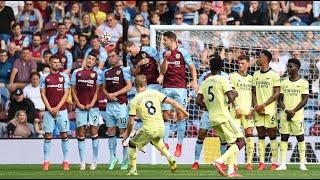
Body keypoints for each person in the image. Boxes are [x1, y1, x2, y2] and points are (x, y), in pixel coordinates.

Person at [123, 75, 189, 175]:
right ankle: (170, 158)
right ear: (146, 84)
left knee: (132, 144)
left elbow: (131, 122)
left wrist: (126, 134)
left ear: (135, 86)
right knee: (156, 140)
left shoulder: (134, 100)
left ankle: (133, 169)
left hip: (149, 128)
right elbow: (173, 102)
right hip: (161, 127)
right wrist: (185, 111)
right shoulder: (155, 93)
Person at [196, 54, 245, 177]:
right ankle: (219, 161)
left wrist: (209, 107)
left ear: (210, 67)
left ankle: (231, 171)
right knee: (241, 141)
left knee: (232, 143)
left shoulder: (206, 81)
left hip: (212, 118)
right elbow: (230, 96)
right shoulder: (223, 79)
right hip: (224, 116)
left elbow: (198, 101)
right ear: (221, 67)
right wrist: (236, 97)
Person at [159, 31, 198, 157]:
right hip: (166, 88)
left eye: (165, 40)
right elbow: (163, 71)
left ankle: (179, 145)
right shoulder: (163, 53)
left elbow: (192, 67)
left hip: (180, 88)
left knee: (181, 116)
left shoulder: (183, 52)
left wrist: (194, 82)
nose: (163, 42)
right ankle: (165, 143)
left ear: (171, 39)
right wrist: (165, 58)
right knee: (166, 116)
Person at [191, 60, 229, 170]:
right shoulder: (205, 76)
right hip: (210, 112)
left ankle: (222, 162)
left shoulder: (225, 77)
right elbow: (198, 99)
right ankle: (196, 161)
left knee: (223, 137)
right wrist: (208, 107)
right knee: (202, 133)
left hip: (220, 112)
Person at [71, 52, 102, 171]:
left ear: (95, 62)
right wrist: (78, 103)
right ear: (86, 60)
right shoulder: (76, 72)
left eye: (93, 59)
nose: (90, 60)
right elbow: (73, 90)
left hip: (93, 108)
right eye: (89, 58)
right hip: (80, 107)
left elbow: (97, 91)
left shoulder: (97, 74)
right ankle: (82, 162)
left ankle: (94, 161)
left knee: (94, 131)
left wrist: (91, 104)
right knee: (81, 132)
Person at [250, 50, 280, 171]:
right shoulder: (255, 74)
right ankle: (262, 162)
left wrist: (263, 105)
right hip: (258, 110)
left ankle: (275, 162)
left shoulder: (274, 74)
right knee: (261, 135)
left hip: (270, 111)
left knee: (272, 135)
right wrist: (257, 106)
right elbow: (253, 92)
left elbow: (277, 93)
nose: (257, 58)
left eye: (259, 57)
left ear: (265, 59)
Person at [276, 58, 309, 171]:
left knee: (300, 138)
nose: (289, 69)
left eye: (291, 67)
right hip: (285, 115)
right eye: (288, 67)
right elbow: (279, 100)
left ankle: (302, 163)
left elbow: (305, 100)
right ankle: (283, 163)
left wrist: (293, 111)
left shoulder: (304, 82)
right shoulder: (284, 82)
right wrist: (286, 111)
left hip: (297, 115)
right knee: (284, 137)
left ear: (297, 68)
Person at [102, 50, 132, 170]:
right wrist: (107, 94)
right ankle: (112, 157)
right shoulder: (106, 72)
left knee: (123, 132)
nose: (111, 58)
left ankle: (125, 159)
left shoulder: (124, 70)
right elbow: (103, 88)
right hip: (110, 105)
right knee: (110, 131)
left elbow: (129, 86)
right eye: (109, 57)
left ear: (118, 57)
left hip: (120, 105)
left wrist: (115, 93)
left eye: (113, 56)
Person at [40, 55, 70, 171]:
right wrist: (49, 108)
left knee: (64, 135)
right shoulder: (44, 78)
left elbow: (66, 93)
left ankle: (66, 161)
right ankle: (46, 161)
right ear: (50, 63)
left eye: (58, 62)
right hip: (49, 112)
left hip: (62, 111)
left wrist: (57, 108)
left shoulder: (64, 77)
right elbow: (43, 94)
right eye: (54, 62)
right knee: (48, 135)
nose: (57, 64)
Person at [229, 55, 255, 171]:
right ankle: (234, 163)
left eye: (243, 63)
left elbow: (254, 95)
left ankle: (249, 162)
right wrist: (237, 107)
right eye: (239, 63)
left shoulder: (252, 78)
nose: (240, 65)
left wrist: (252, 109)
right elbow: (230, 94)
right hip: (236, 111)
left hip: (248, 111)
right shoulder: (233, 76)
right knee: (235, 138)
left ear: (248, 64)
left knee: (249, 136)